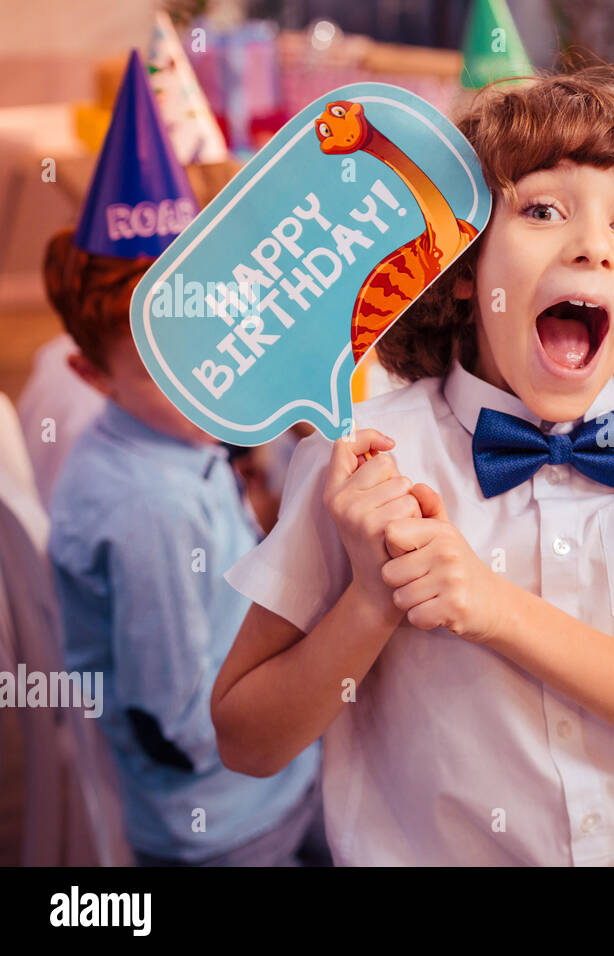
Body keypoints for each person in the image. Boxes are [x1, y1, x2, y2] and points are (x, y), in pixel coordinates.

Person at [211, 68, 614, 866]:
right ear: (463, 273)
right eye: (542, 210)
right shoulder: (360, 461)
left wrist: (495, 607)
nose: (592, 246)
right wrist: (369, 603)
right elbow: (246, 740)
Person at [44, 51, 326, 867]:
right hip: (229, 817)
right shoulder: (149, 508)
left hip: (263, 770)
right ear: (91, 375)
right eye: (166, 367)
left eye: (216, 340)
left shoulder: (177, 442)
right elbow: (181, 724)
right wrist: (301, 693)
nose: (212, 377)